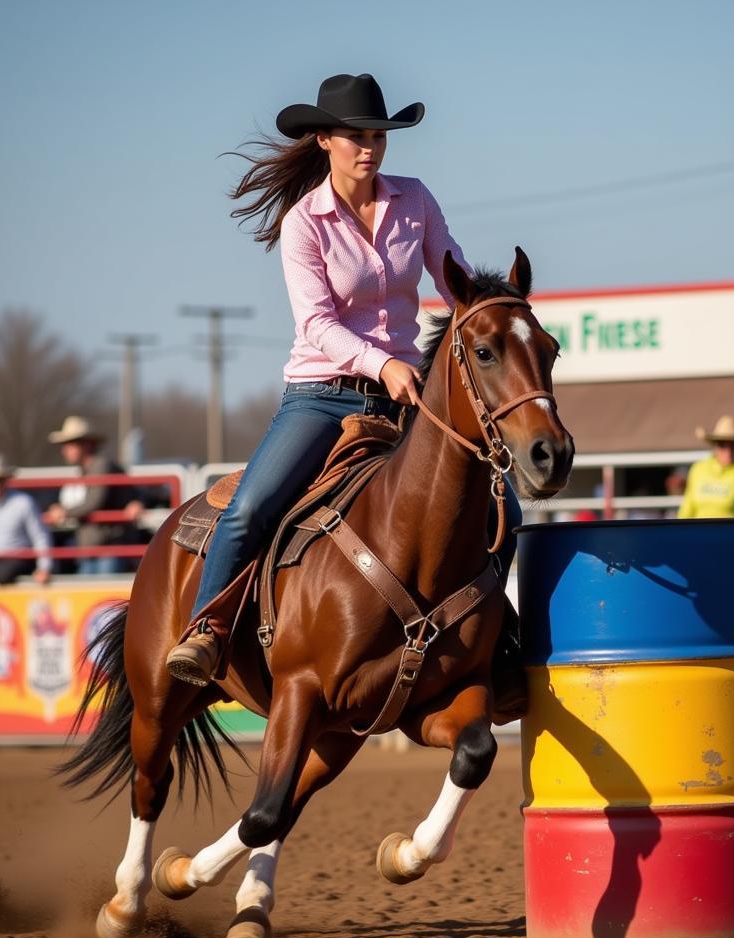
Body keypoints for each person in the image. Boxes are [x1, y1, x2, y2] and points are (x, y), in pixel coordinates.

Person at [166, 72, 522, 686]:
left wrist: (493, 309)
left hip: (408, 396)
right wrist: (382, 363)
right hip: (321, 396)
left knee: (505, 510)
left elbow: (454, 279)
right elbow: (318, 323)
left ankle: (502, 639)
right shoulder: (304, 224)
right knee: (251, 507)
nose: (370, 146)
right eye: (355, 136)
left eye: (379, 135)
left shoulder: (415, 199)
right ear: (323, 140)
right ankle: (208, 629)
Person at [45, 416, 144, 574]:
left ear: (86, 444)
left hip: (107, 548)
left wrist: (64, 512)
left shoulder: (100, 465)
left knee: (103, 594)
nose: (65, 450)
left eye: (70, 444)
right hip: (94, 548)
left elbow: (94, 501)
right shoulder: (88, 470)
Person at [0, 453, 53, 585]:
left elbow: (40, 535)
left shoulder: (23, 502)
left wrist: (44, 568)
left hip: (19, 559)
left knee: (1, 574)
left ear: (6, 480)